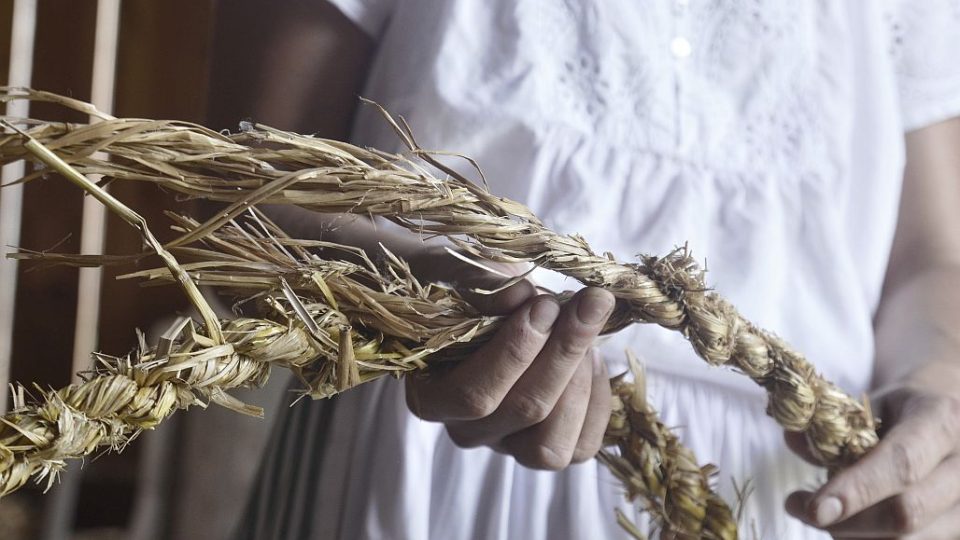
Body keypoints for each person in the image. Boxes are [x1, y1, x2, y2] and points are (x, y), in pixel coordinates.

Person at [216, 1, 960, 538]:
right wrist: (429, 302)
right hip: (431, 464)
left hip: (785, 490)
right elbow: (239, 195)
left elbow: (930, 259)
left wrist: (936, 387)